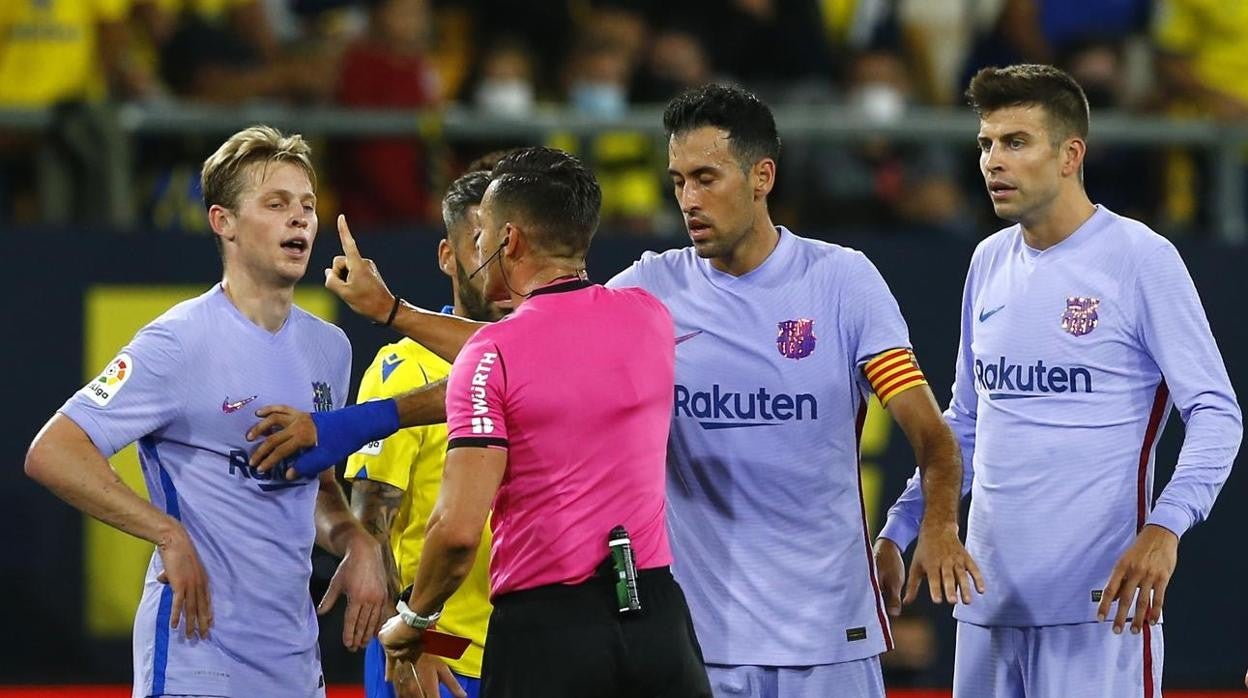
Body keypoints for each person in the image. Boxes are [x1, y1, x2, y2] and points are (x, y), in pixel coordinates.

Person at [248, 84, 984, 698]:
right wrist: (383, 353)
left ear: (761, 178)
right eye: (677, 182)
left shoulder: (841, 280)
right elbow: (525, 356)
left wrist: (934, 526)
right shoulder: (653, 290)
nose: (688, 199)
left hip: (829, 631)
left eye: (706, 178)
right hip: (699, 633)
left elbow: (931, 435)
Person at [875, 64, 1242, 697]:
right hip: (986, 607)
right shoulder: (987, 260)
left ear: (1071, 154)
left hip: (1100, 608)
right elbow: (963, 422)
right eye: (987, 143)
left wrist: (1166, 526)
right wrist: (899, 528)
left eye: (1016, 142)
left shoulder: (1140, 259)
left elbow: (1216, 411)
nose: (993, 160)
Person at [23, 125, 389, 698]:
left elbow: (313, 485)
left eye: (308, 205)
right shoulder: (177, 342)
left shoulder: (330, 348)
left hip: (294, 660)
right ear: (224, 222)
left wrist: (353, 538)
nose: (301, 219)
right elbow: (54, 451)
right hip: (198, 649)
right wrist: (166, 533)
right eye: (276, 204)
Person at [375, 146, 712, 697]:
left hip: (548, 634)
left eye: (482, 234)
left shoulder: (490, 353)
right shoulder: (649, 319)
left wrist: (415, 620)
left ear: (510, 241)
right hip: (660, 626)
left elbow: (458, 533)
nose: (478, 247)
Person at [348, 167, 509, 698]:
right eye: (480, 248)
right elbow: (371, 524)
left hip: (521, 652)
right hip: (436, 654)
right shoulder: (404, 367)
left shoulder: (539, 364)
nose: (498, 271)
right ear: (446, 257)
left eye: (509, 248)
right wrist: (417, 641)